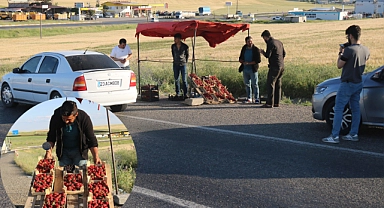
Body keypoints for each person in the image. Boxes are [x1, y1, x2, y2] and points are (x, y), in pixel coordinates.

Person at [322, 25, 370, 144]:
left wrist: (340, 52)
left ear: (351, 36)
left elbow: (339, 65)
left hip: (347, 83)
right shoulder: (366, 50)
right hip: (358, 82)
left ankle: (334, 136)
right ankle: (353, 134)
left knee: (338, 109)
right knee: (355, 109)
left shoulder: (348, 50)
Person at [44, 100, 101, 167]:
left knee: (80, 174)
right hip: (63, 152)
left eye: (69, 119)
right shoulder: (56, 117)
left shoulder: (84, 118)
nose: (66, 121)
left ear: (76, 114)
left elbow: (91, 139)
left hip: (80, 152)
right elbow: (51, 137)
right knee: (65, 175)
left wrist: (96, 157)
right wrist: (48, 152)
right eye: (64, 118)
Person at [259, 30, 286, 108]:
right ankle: (277, 102)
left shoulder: (270, 43)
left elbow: (268, 55)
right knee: (278, 84)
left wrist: (262, 52)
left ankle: (269, 103)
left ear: (265, 37)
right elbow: (284, 53)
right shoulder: (279, 42)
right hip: (281, 66)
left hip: (274, 66)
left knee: (270, 83)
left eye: (264, 38)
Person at [238, 36, 261, 104]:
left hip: (253, 69)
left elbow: (258, 60)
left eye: (251, 41)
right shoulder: (244, 48)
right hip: (245, 69)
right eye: (248, 41)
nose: (250, 42)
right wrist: (242, 61)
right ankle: (249, 98)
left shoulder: (256, 49)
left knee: (255, 84)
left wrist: (249, 63)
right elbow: (240, 58)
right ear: (246, 42)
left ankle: (256, 98)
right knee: (247, 84)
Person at [171, 33, 189, 99]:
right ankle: (177, 93)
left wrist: (185, 62)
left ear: (179, 39)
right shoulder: (173, 46)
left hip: (183, 64)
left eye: (175, 39)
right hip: (175, 64)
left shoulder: (185, 46)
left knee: (184, 80)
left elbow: (187, 55)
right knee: (176, 79)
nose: (174, 40)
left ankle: (185, 93)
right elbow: (173, 54)